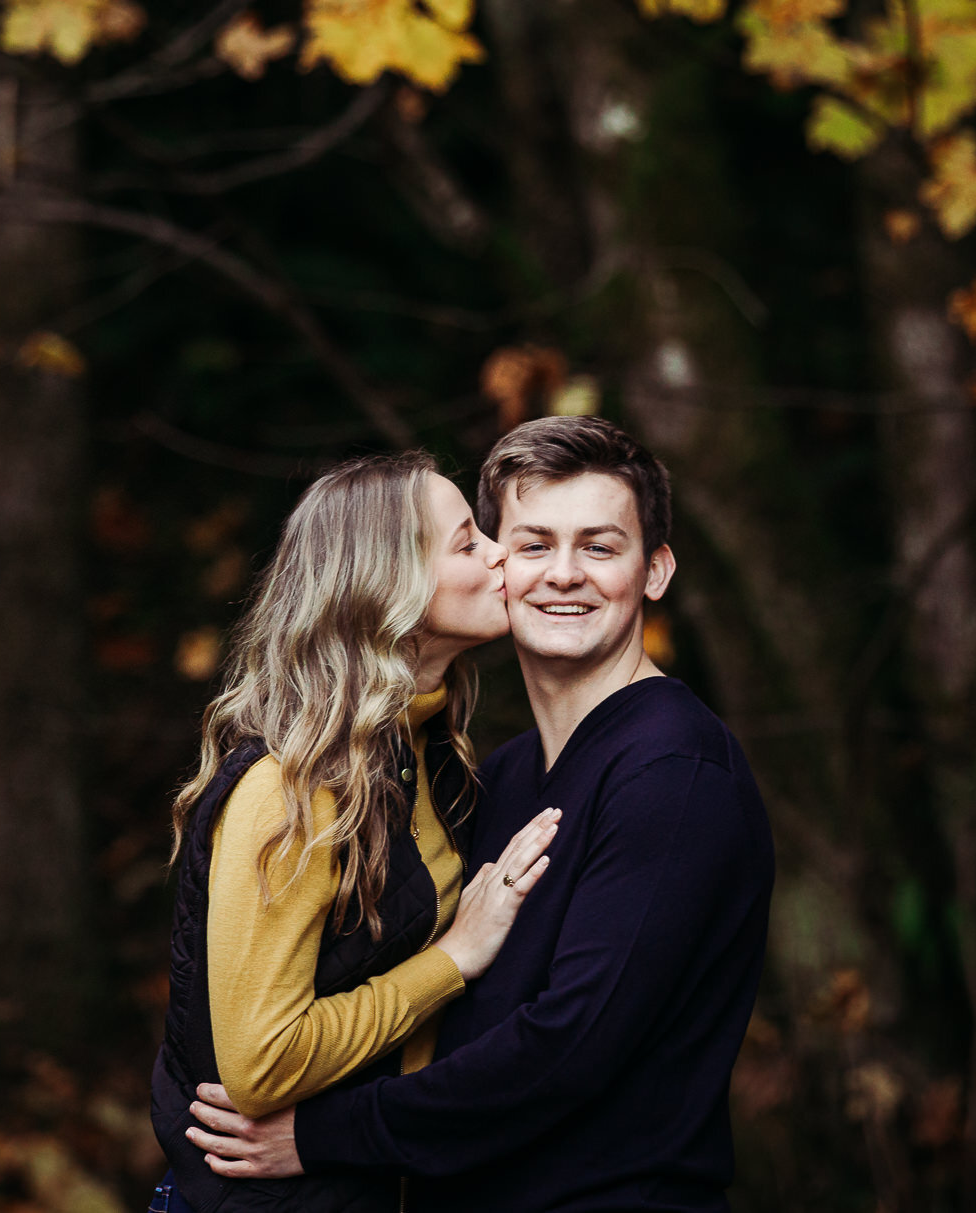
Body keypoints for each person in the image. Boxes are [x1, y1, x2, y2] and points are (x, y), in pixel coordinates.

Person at [183, 416, 776, 1213]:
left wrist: (323, 1134)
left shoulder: (674, 773)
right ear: (497, 565)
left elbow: (567, 1048)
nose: (563, 573)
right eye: (533, 545)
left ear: (656, 571)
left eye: (599, 547)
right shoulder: (492, 776)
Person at [148, 450, 566, 1213]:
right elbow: (259, 1063)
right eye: (469, 542)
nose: (503, 553)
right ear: (387, 585)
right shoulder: (291, 788)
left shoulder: (427, 756)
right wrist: (453, 958)